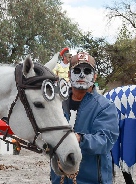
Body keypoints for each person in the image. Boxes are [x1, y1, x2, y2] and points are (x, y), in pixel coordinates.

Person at [50, 52, 119, 183]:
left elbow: (106, 140)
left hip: (92, 180)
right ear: (69, 75)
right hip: (60, 179)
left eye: (87, 71)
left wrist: (79, 139)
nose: (82, 75)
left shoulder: (105, 106)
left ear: (95, 76)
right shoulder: (57, 103)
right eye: (77, 70)